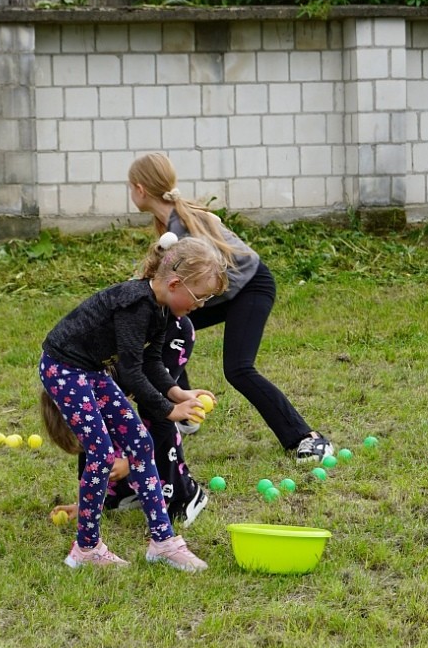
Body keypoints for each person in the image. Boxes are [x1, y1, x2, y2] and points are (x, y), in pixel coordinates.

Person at [128, 152, 335, 463]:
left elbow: (195, 276)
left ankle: (307, 437)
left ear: (140, 189)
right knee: (164, 322)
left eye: (129, 188)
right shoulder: (170, 221)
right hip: (226, 292)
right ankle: (185, 414)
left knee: (238, 368)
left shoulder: (183, 225)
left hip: (250, 288)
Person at [40, 237, 225, 570]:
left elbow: (153, 362)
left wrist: (177, 393)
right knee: (101, 452)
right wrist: (171, 411)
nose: (200, 306)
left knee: (141, 442)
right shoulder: (135, 305)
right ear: (174, 283)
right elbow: (130, 371)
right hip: (63, 368)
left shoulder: (162, 309)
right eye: (199, 297)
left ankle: (163, 542)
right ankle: (86, 549)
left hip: (90, 370)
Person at [45, 313, 209, 528]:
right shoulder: (81, 384)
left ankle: (185, 492)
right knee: (109, 421)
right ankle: (126, 490)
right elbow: (91, 440)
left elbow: (161, 418)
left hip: (168, 335)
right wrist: (82, 505)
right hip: (122, 355)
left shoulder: (89, 379)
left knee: (156, 410)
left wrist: (131, 463)